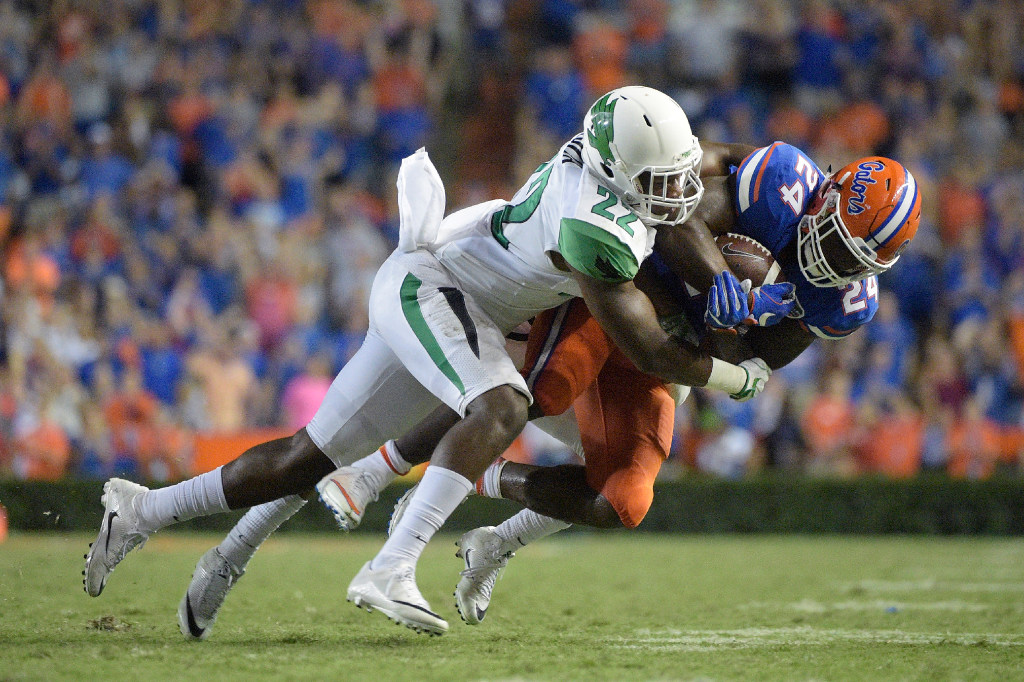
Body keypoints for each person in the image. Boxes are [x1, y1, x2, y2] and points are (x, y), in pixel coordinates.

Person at [84, 86, 776, 637]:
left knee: (310, 456)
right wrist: (734, 375)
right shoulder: (592, 225)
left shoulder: (623, 162)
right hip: (436, 286)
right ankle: (393, 566)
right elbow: (647, 347)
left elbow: (717, 174)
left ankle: (146, 511)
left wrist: (789, 186)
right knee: (501, 404)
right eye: (658, 179)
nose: (678, 189)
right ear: (614, 174)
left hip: (472, 296)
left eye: (678, 170)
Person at [174, 144, 921, 636]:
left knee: (622, 496)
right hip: (606, 296)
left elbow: (747, 362)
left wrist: (728, 331)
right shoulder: (774, 182)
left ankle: (481, 507)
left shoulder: (841, 304)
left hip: (671, 353)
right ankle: (372, 484)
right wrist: (720, 278)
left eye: (850, 259)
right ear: (823, 196)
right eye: (831, 236)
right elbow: (676, 210)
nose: (827, 263)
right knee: (533, 391)